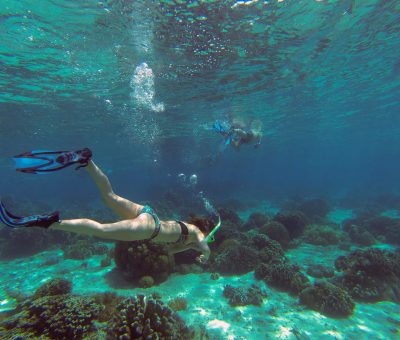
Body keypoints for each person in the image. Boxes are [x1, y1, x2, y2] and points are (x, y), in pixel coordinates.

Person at [1, 148, 214, 263]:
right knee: (101, 230)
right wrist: (204, 254)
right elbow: (205, 248)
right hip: (149, 228)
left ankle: (86, 160)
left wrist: (191, 247)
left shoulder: (189, 230)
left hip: (148, 213)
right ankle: (52, 222)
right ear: (206, 229)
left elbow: (173, 251)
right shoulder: (198, 233)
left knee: (109, 195)